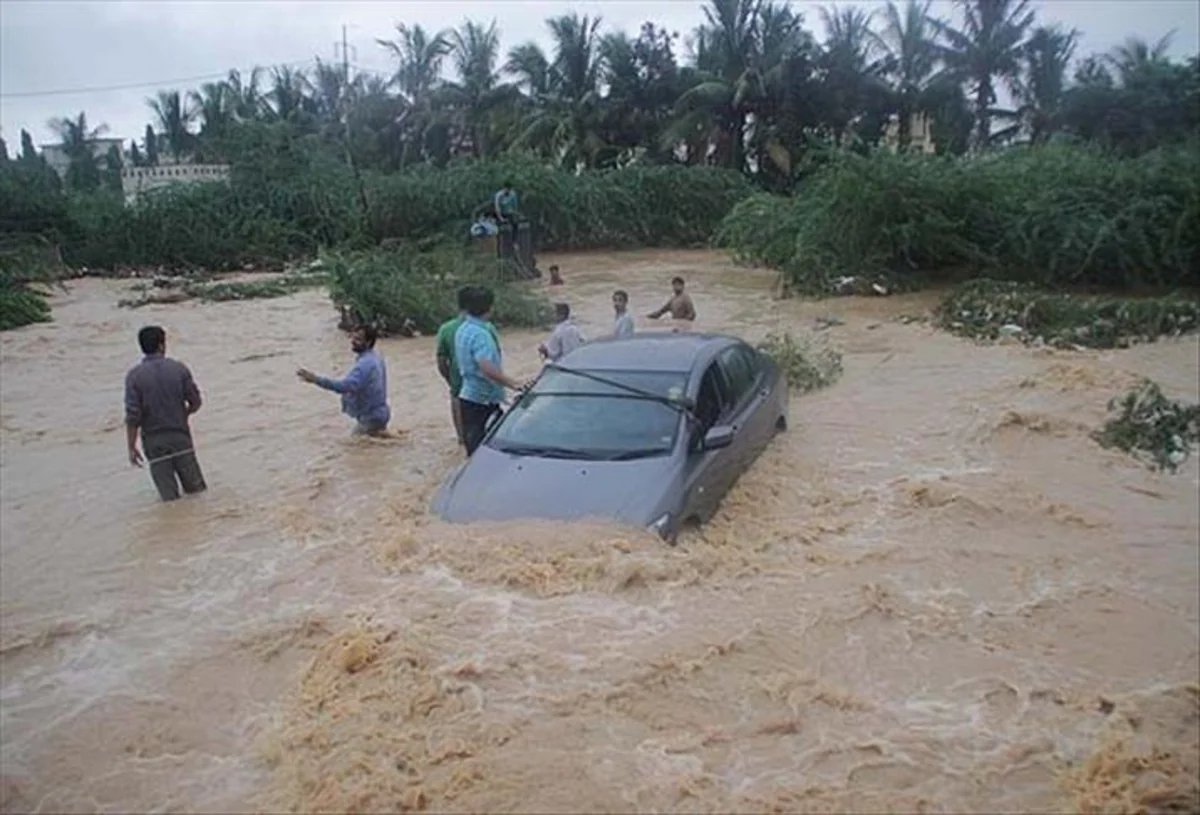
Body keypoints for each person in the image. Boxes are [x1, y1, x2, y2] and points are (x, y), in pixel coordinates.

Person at [124, 325, 208, 502]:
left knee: (169, 499)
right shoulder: (178, 369)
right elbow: (196, 402)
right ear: (162, 345)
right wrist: (184, 414)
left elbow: (133, 416)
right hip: (180, 435)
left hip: (153, 441)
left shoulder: (134, 376)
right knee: (197, 492)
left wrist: (131, 446)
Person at [455, 285, 527, 455]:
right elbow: (486, 367)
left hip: (467, 397)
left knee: (473, 453)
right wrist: (515, 384)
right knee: (489, 453)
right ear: (489, 308)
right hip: (484, 401)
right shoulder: (482, 335)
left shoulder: (462, 329)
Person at [297, 324, 391, 436]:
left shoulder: (365, 364)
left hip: (370, 417)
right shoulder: (376, 356)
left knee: (354, 448)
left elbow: (344, 386)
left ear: (369, 342)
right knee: (375, 445)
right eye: (353, 337)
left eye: (358, 339)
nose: (353, 341)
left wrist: (315, 379)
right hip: (380, 413)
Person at [436, 287, 500, 448]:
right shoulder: (486, 328)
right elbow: (494, 360)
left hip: (460, 389)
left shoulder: (446, 329)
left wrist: (450, 382)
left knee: (465, 440)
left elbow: (441, 362)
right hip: (484, 392)